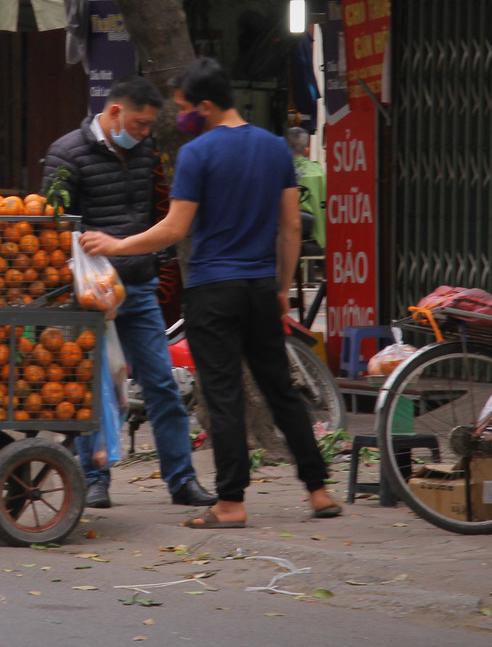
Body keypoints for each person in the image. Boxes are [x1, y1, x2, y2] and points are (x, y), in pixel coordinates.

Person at [82, 59, 341, 527]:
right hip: (261, 287)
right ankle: (319, 491)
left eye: (183, 108)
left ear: (205, 106)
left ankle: (230, 503)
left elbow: (175, 228)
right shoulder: (275, 149)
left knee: (221, 395)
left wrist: (118, 244)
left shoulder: (197, 155)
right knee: (281, 388)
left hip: (212, 290)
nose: (179, 117)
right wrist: (281, 287)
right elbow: (289, 228)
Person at [43, 76, 216, 510]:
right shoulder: (67, 152)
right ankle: (94, 480)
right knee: (94, 389)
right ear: (116, 112)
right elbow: (51, 224)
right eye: (139, 123)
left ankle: (182, 480)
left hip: (137, 288)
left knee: (161, 384)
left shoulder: (145, 154)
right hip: (88, 295)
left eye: (149, 126)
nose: (144, 133)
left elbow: (153, 213)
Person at [286, 126, 326, 253]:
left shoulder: (277, 170)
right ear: (307, 149)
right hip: (318, 241)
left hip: (286, 241)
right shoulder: (318, 172)